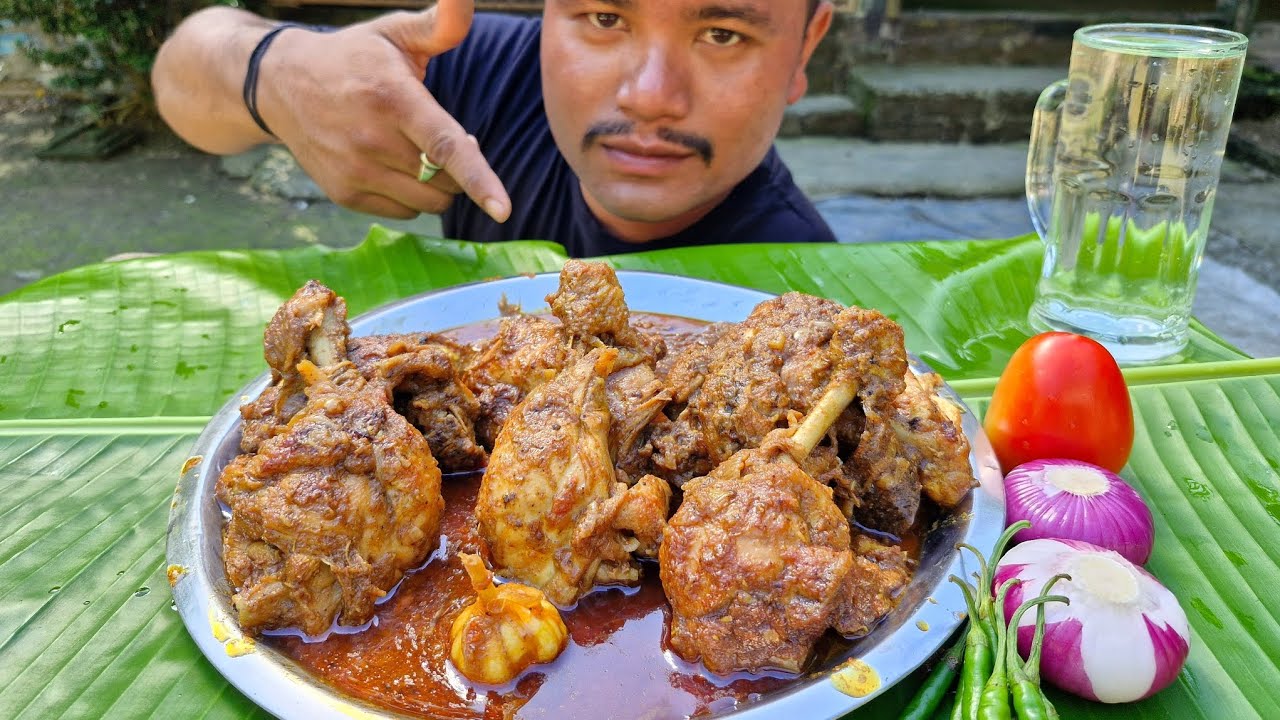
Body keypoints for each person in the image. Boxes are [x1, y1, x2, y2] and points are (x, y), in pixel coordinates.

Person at [152, 0, 837, 257]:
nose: (650, 97)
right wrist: (273, 73)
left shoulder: (801, 294)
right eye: (604, 19)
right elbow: (180, 74)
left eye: (722, 33)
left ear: (804, 48)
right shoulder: (480, 70)